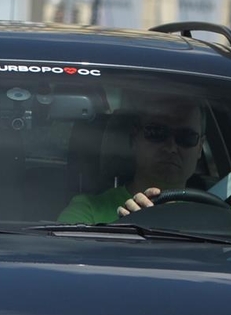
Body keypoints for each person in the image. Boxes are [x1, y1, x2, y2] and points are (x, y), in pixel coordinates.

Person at [59, 95, 209, 223]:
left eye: (186, 137)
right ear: (134, 138)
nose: (171, 147)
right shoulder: (88, 211)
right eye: (156, 132)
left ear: (200, 147)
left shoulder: (213, 217)